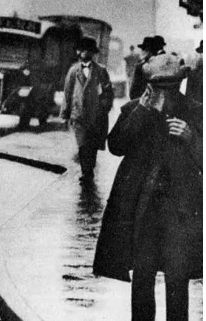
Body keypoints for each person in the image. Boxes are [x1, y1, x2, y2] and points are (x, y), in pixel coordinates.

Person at [93, 54, 202, 321]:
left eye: (172, 86)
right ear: (150, 85)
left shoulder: (195, 111)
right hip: (143, 211)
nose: (166, 94)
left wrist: (192, 138)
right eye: (160, 87)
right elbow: (115, 146)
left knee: (178, 278)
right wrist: (142, 111)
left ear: (181, 84)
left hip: (180, 212)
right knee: (143, 276)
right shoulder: (133, 109)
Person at [60, 37, 113, 184]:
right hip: (78, 115)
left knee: (92, 145)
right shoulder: (73, 71)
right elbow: (67, 92)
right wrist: (65, 113)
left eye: (88, 50)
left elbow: (108, 92)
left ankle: (89, 169)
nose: (85, 53)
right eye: (82, 50)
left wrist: (103, 108)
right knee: (82, 144)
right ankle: (86, 172)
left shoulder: (101, 71)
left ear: (93, 53)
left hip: (95, 116)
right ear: (78, 52)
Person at [130, 35, 166, 100]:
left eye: (144, 49)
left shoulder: (140, 67)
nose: (142, 51)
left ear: (148, 51)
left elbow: (133, 92)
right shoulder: (163, 64)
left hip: (143, 104)